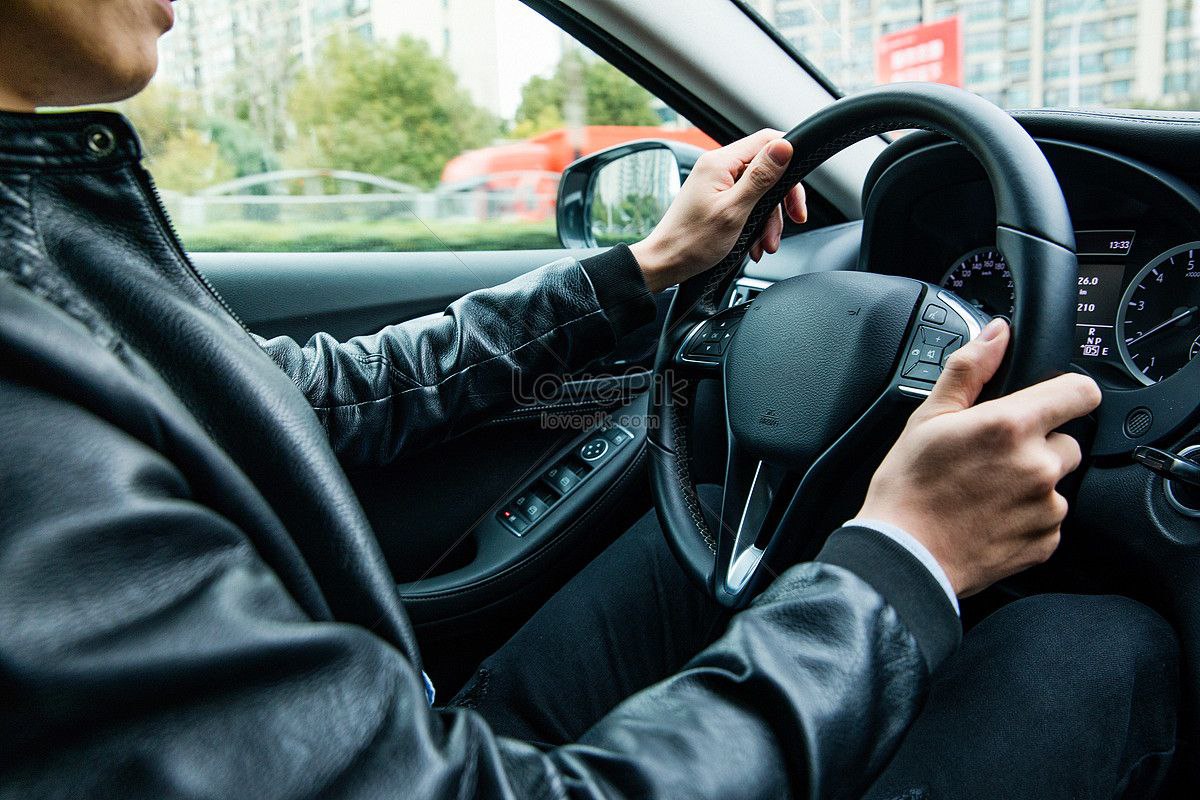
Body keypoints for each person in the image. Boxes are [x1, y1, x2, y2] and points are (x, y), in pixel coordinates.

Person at [0, 1, 1179, 798]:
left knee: (691, 562)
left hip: (383, 716)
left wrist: (638, 270)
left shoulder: (45, 236)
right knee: (1097, 646)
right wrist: (906, 561)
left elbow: (319, 394)